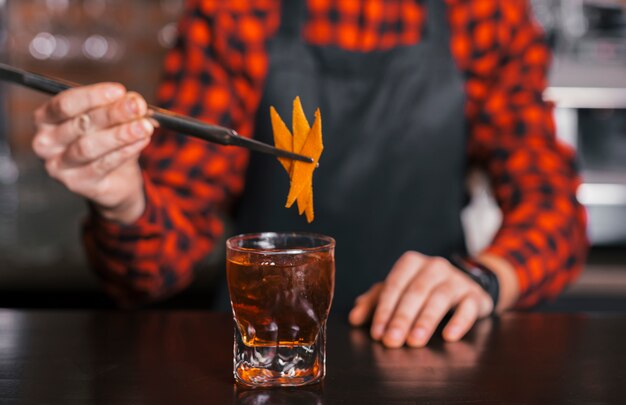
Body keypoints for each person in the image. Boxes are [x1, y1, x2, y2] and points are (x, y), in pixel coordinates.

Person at [31, 0, 587, 348]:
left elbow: (554, 209)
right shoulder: (236, 12)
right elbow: (147, 273)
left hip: (429, 348)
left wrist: (485, 278)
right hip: (261, 352)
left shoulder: (484, 12)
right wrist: (123, 200)